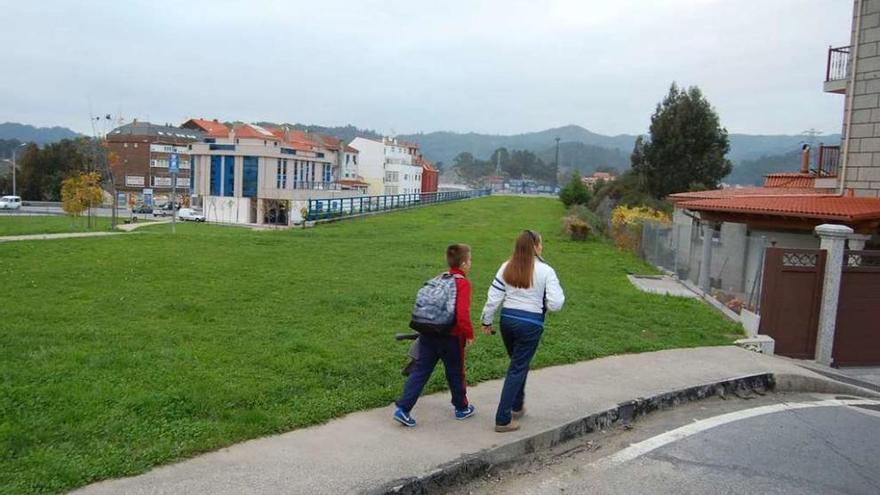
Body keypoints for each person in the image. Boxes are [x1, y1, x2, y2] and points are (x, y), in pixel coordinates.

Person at [480, 230, 565, 432]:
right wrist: (545, 303)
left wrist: (486, 320)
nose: (542, 247)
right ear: (535, 247)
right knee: (517, 368)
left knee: (518, 363)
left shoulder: (505, 267)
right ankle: (502, 418)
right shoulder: (546, 271)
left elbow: (494, 297)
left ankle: (517, 406)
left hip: (507, 321)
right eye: (540, 244)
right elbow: (556, 303)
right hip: (530, 323)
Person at [393, 244, 476, 427]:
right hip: (451, 337)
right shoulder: (462, 283)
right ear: (463, 263)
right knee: (455, 372)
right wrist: (469, 334)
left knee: (421, 370)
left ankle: (403, 409)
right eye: (469, 260)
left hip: (428, 332)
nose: (470, 264)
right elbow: (462, 314)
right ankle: (462, 407)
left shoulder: (440, 277)